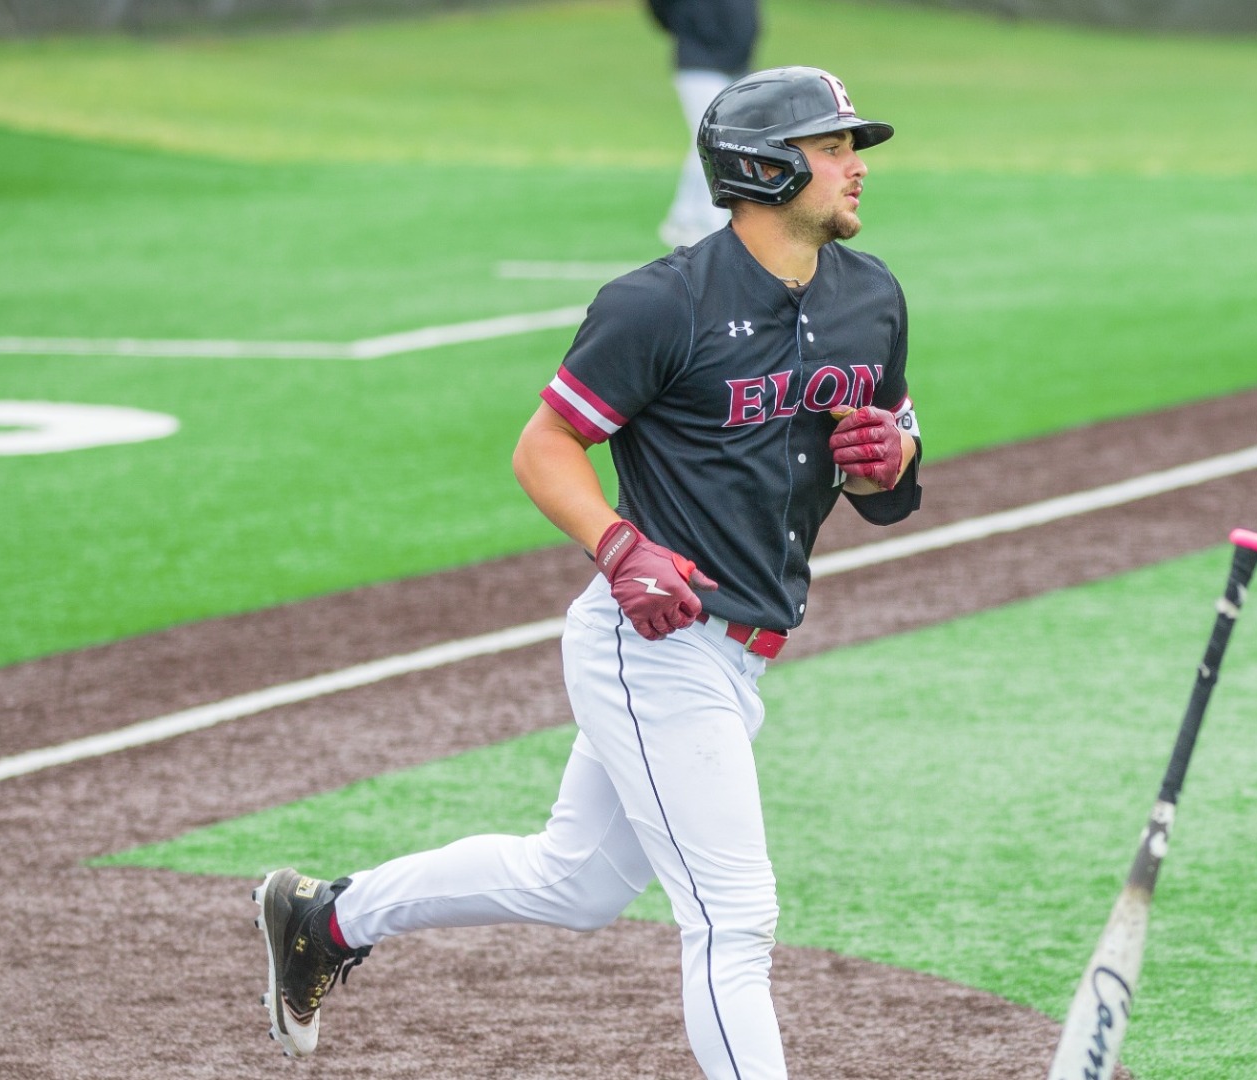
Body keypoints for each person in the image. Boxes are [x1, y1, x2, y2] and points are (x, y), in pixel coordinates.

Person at [252, 67, 921, 1080]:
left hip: (742, 654)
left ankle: (325, 921)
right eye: (832, 148)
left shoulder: (871, 300)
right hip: (653, 645)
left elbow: (891, 456)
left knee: (573, 883)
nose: (854, 166)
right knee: (734, 921)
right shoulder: (661, 306)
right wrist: (619, 545)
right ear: (764, 167)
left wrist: (898, 456)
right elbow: (546, 444)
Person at [649, 0, 760, 247]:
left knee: (722, 139)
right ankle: (715, 222)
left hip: (737, 64)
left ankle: (684, 216)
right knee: (715, 140)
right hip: (698, 61)